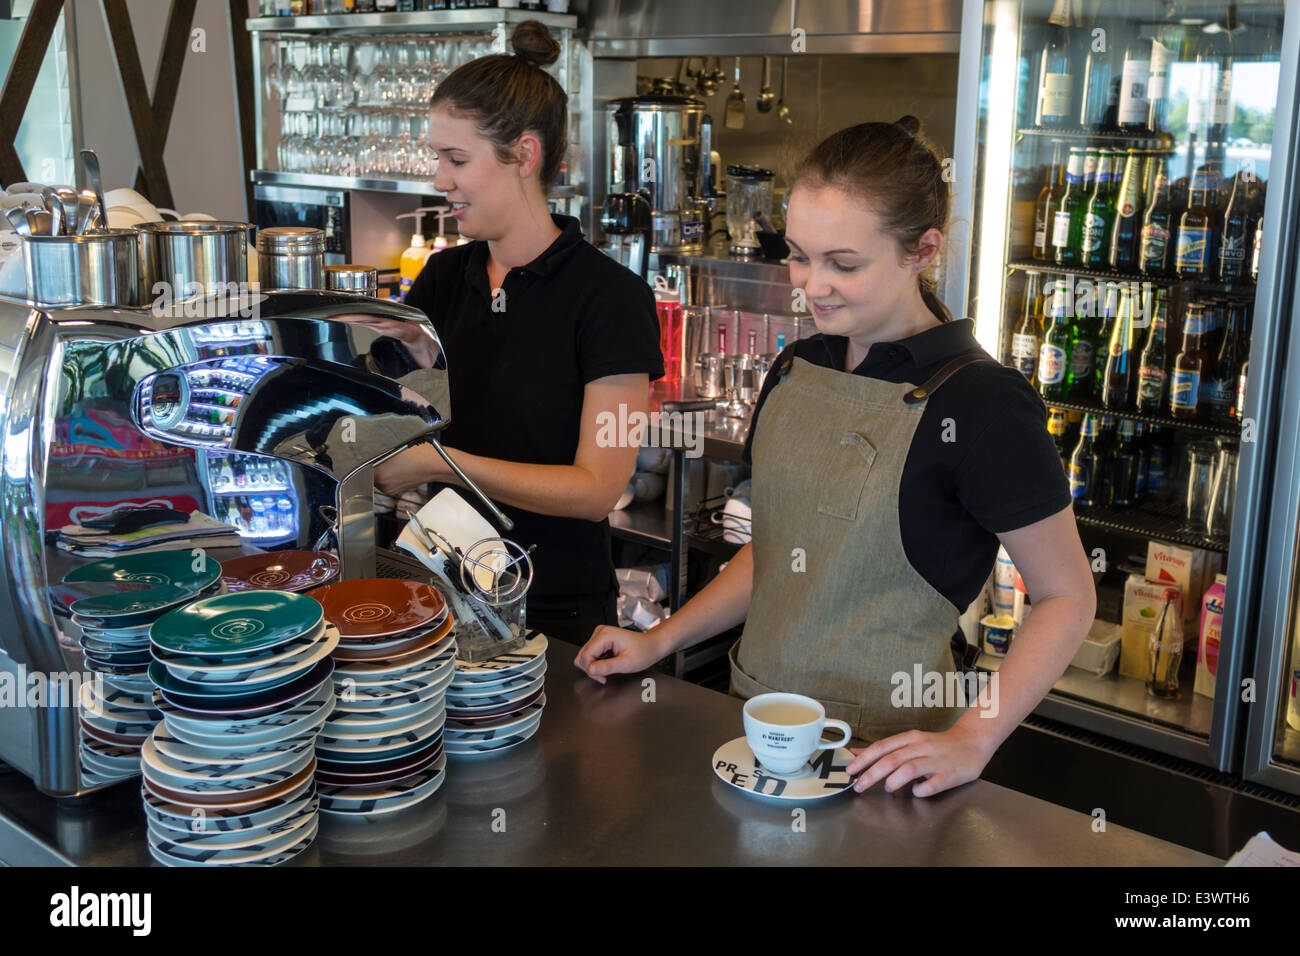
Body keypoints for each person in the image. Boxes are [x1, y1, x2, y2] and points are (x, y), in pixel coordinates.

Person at [574, 118, 1096, 798]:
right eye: (799, 255)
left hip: (884, 761)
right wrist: (659, 640)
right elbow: (780, 547)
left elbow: (1067, 596)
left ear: (923, 249)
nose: (811, 286)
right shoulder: (797, 366)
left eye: (843, 264)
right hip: (752, 724)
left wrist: (973, 737)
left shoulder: (986, 405)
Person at [376, 21, 663, 644]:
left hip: (552, 611)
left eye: (457, 159)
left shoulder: (611, 300)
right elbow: (418, 411)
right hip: (438, 588)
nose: (440, 179)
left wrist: (441, 464)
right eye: (437, 158)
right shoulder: (443, 277)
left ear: (525, 155)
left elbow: (596, 489)